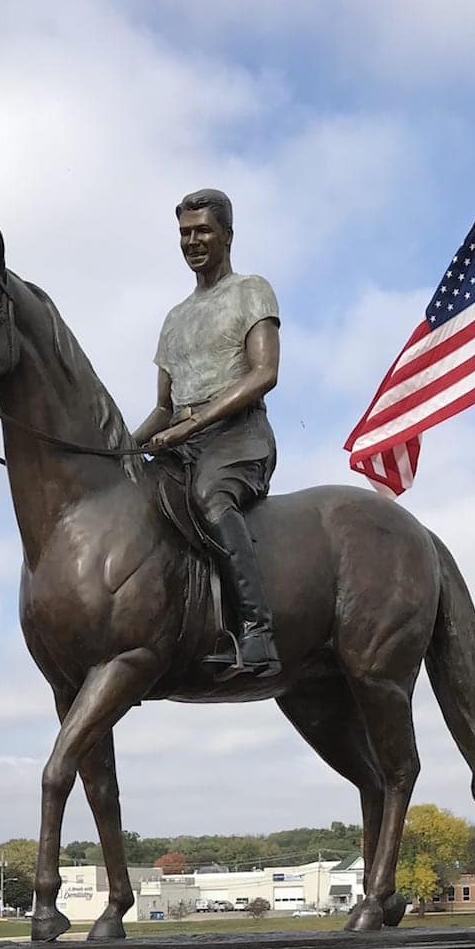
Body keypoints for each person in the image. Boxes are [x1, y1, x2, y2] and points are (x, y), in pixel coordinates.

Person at [132, 187, 284, 680]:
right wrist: (124, 448)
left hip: (240, 435)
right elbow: (163, 409)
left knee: (210, 497)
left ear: (228, 236)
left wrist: (194, 424)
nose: (192, 241)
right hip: (184, 441)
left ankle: (258, 632)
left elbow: (264, 374)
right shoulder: (174, 319)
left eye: (202, 231)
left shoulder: (250, 290)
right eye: (184, 233)